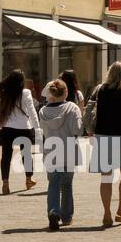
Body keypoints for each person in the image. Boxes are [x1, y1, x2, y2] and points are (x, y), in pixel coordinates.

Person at [88, 61, 121, 228]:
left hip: (103, 136)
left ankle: (106, 213)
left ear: (109, 73)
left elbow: (89, 108)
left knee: (106, 177)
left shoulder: (100, 90)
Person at [37, 80, 83, 231]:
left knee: (53, 184)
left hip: (51, 151)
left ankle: (53, 211)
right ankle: (67, 216)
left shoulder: (43, 111)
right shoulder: (72, 108)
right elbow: (77, 130)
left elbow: (43, 130)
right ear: (66, 93)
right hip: (68, 149)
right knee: (67, 184)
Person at [0, 70, 39, 195]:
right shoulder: (26, 93)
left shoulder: (3, 92)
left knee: (6, 156)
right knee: (26, 155)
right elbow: (32, 112)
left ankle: (5, 183)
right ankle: (28, 179)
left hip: (7, 127)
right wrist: (37, 128)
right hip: (24, 128)